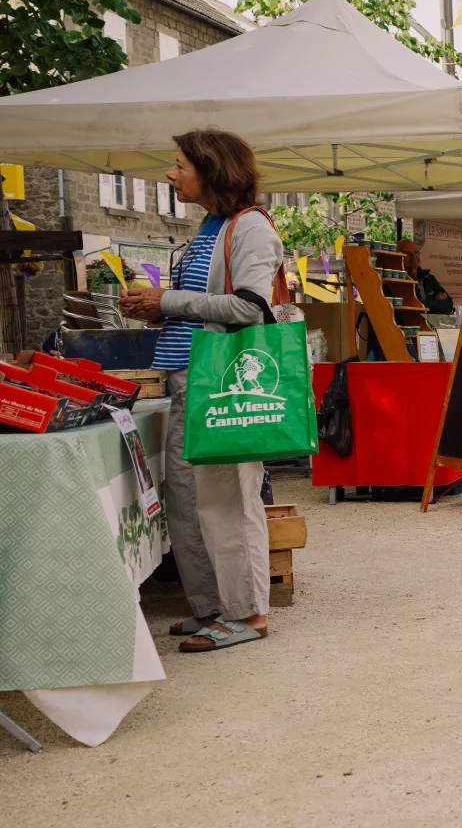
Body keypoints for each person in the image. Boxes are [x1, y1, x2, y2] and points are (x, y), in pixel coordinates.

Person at [116, 128, 281, 652]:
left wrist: (167, 302)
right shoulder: (212, 226)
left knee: (229, 500)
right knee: (188, 501)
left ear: (211, 169)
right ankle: (211, 607)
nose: (171, 173)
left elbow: (250, 307)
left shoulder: (249, 227)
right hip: (190, 381)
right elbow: (201, 306)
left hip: (221, 385)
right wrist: (157, 310)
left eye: (180, 164)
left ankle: (247, 613)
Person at [397, 239, 453, 313]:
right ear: (398, 256)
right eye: (408, 254)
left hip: (430, 324)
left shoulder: (429, 278)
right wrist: (435, 302)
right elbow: (409, 306)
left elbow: (449, 305)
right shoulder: (396, 279)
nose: (414, 257)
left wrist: (425, 304)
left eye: (416, 253)